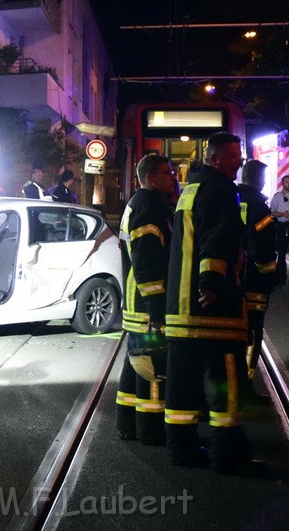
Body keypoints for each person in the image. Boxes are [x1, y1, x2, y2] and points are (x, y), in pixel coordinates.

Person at [164, 132, 260, 475]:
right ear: (216, 157)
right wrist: (214, 282)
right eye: (234, 156)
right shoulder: (220, 190)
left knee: (182, 384)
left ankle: (182, 450)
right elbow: (217, 239)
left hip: (181, 310)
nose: (239, 161)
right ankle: (227, 454)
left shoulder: (190, 188)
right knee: (227, 383)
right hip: (213, 312)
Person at [116, 154, 176, 446]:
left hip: (136, 300)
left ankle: (127, 422)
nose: (173, 177)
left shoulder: (139, 203)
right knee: (152, 367)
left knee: (135, 364)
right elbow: (147, 262)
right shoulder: (148, 207)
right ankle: (151, 430)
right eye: (167, 172)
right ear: (150, 177)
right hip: (146, 304)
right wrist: (157, 309)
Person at [238, 160, 277, 378]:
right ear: (258, 179)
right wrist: (270, 275)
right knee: (253, 329)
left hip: (231, 278)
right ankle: (247, 378)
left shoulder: (229, 198)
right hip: (254, 280)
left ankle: (233, 375)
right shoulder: (259, 206)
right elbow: (262, 247)